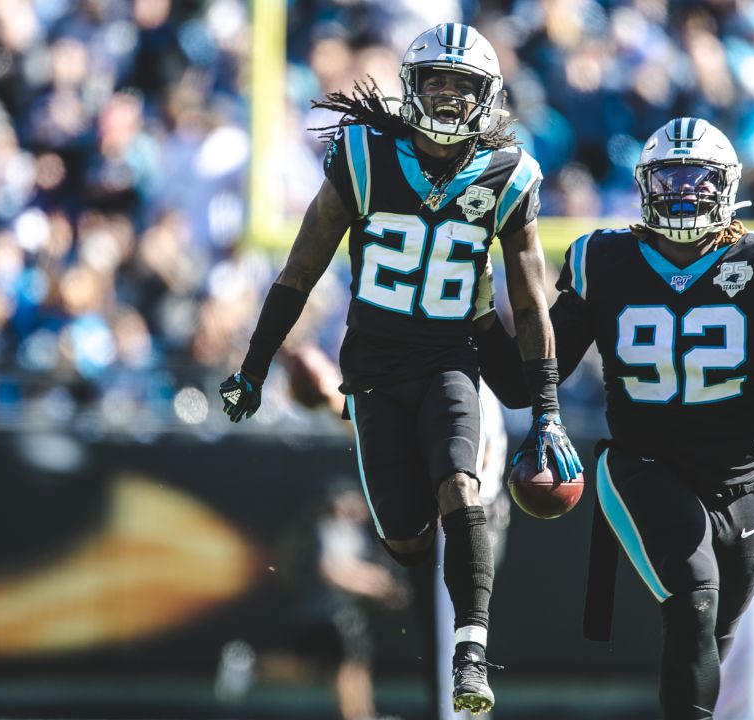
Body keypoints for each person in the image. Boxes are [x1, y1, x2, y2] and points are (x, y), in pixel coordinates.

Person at [218, 23, 582, 715]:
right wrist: (254, 367)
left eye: (462, 85)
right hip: (376, 364)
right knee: (407, 541)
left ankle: (471, 655)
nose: (448, 98)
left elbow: (533, 309)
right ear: (411, 89)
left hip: (453, 356)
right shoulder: (362, 154)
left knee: (460, 486)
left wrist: (548, 413)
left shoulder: (510, 174)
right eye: (436, 82)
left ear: (488, 97)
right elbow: (301, 268)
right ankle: (364, 432)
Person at [476, 117, 754, 719]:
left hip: (746, 480)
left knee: (708, 638)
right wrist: (472, 313)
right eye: (670, 178)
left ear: (726, 186)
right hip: (644, 466)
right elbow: (527, 383)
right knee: (693, 603)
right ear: (645, 185)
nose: (683, 192)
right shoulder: (605, 260)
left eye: (697, 179)